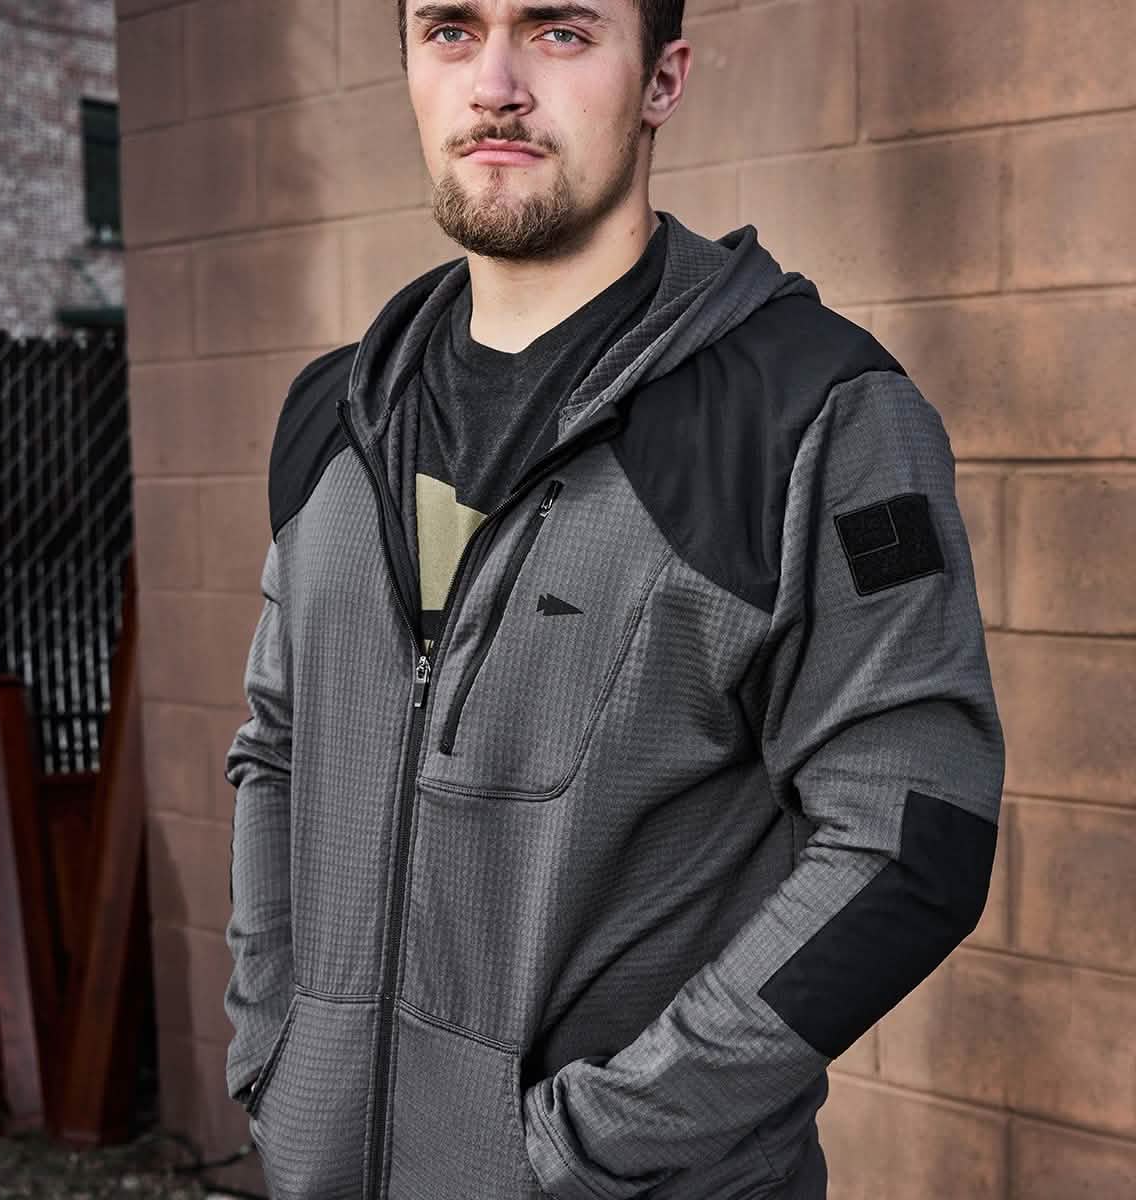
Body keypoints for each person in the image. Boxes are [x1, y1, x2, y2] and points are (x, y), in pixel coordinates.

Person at [221, 1, 1005, 1197]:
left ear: (663, 79)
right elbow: (278, 753)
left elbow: (912, 840)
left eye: (560, 32)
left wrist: (579, 1148)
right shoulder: (333, 416)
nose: (494, 83)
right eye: (448, 30)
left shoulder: (816, 413)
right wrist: (276, 1053)